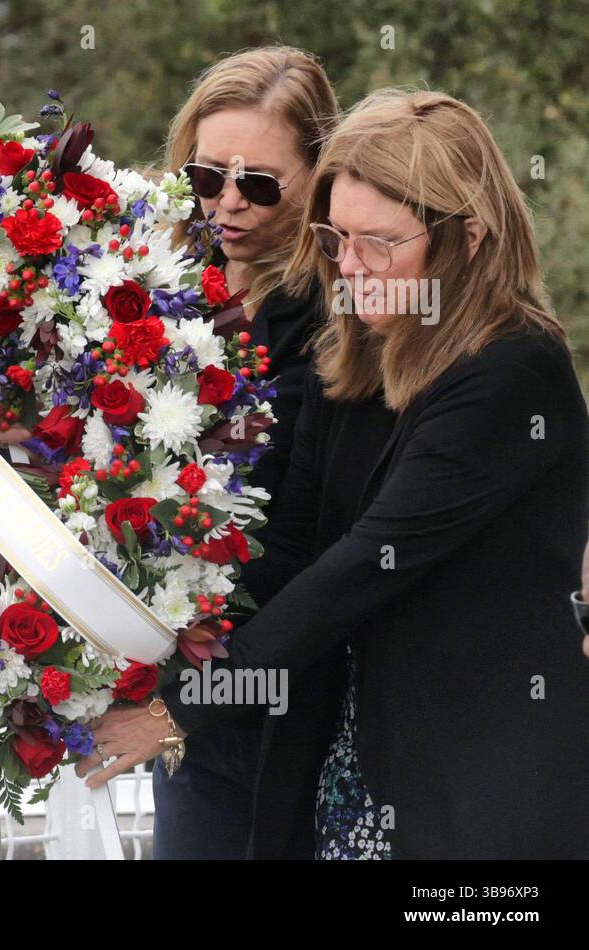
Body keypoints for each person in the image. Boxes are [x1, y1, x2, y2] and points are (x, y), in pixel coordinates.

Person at [82, 88, 589, 858]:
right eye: (335, 239)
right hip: (360, 766)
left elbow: (355, 573)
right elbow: (293, 551)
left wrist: (177, 711)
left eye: (378, 243)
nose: (347, 270)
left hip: (487, 784)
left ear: (471, 236)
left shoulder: (512, 371)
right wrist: (140, 643)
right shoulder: (358, 349)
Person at [149, 46, 338, 859]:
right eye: (205, 178)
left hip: (286, 688)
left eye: (259, 185)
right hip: (186, 682)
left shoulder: (340, 323)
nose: (227, 204)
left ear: (320, 178)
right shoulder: (162, 289)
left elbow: (308, 534)